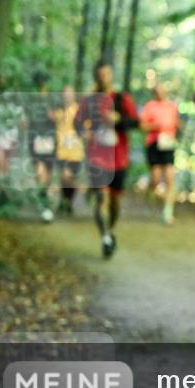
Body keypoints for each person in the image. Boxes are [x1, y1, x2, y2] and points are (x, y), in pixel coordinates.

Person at [75, 62, 138, 258]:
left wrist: (119, 119)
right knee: (101, 197)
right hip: (97, 157)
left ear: (111, 75)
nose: (103, 77)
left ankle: (110, 231)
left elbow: (136, 121)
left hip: (119, 158)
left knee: (114, 201)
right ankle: (105, 238)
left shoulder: (121, 99)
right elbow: (77, 122)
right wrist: (83, 133)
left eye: (107, 74)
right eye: (100, 74)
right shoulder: (90, 100)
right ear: (96, 76)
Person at [140, 82, 181, 224]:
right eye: (157, 91)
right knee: (156, 178)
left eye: (162, 90)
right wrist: (155, 126)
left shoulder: (172, 106)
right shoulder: (149, 106)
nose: (160, 93)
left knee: (170, 178)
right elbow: (142, 125)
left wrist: (177, 127)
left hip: (168, 143)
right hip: (154, 144)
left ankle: (167, 212)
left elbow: (177, 123)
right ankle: (151, 191)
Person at [27, 73, 58, 223]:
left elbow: (61, 117)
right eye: (40, 83)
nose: (42, 85)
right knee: (40, 173)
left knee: (48, 175)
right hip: (35, 140)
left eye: (44, 83)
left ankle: (46, 204)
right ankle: (45, 206)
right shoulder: (30, 100)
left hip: (50, 140)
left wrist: (55, 117)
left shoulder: (53, 99)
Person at [53, 85, 85, 217]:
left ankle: (68, 202)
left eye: (70, 93)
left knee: (71, 178)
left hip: (76, 151)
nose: (68, 95)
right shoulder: (58, 111)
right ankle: (64, 200)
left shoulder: (79, 110)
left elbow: (85, 127)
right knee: (64, 177)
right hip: (61, 150)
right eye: (65, 93)